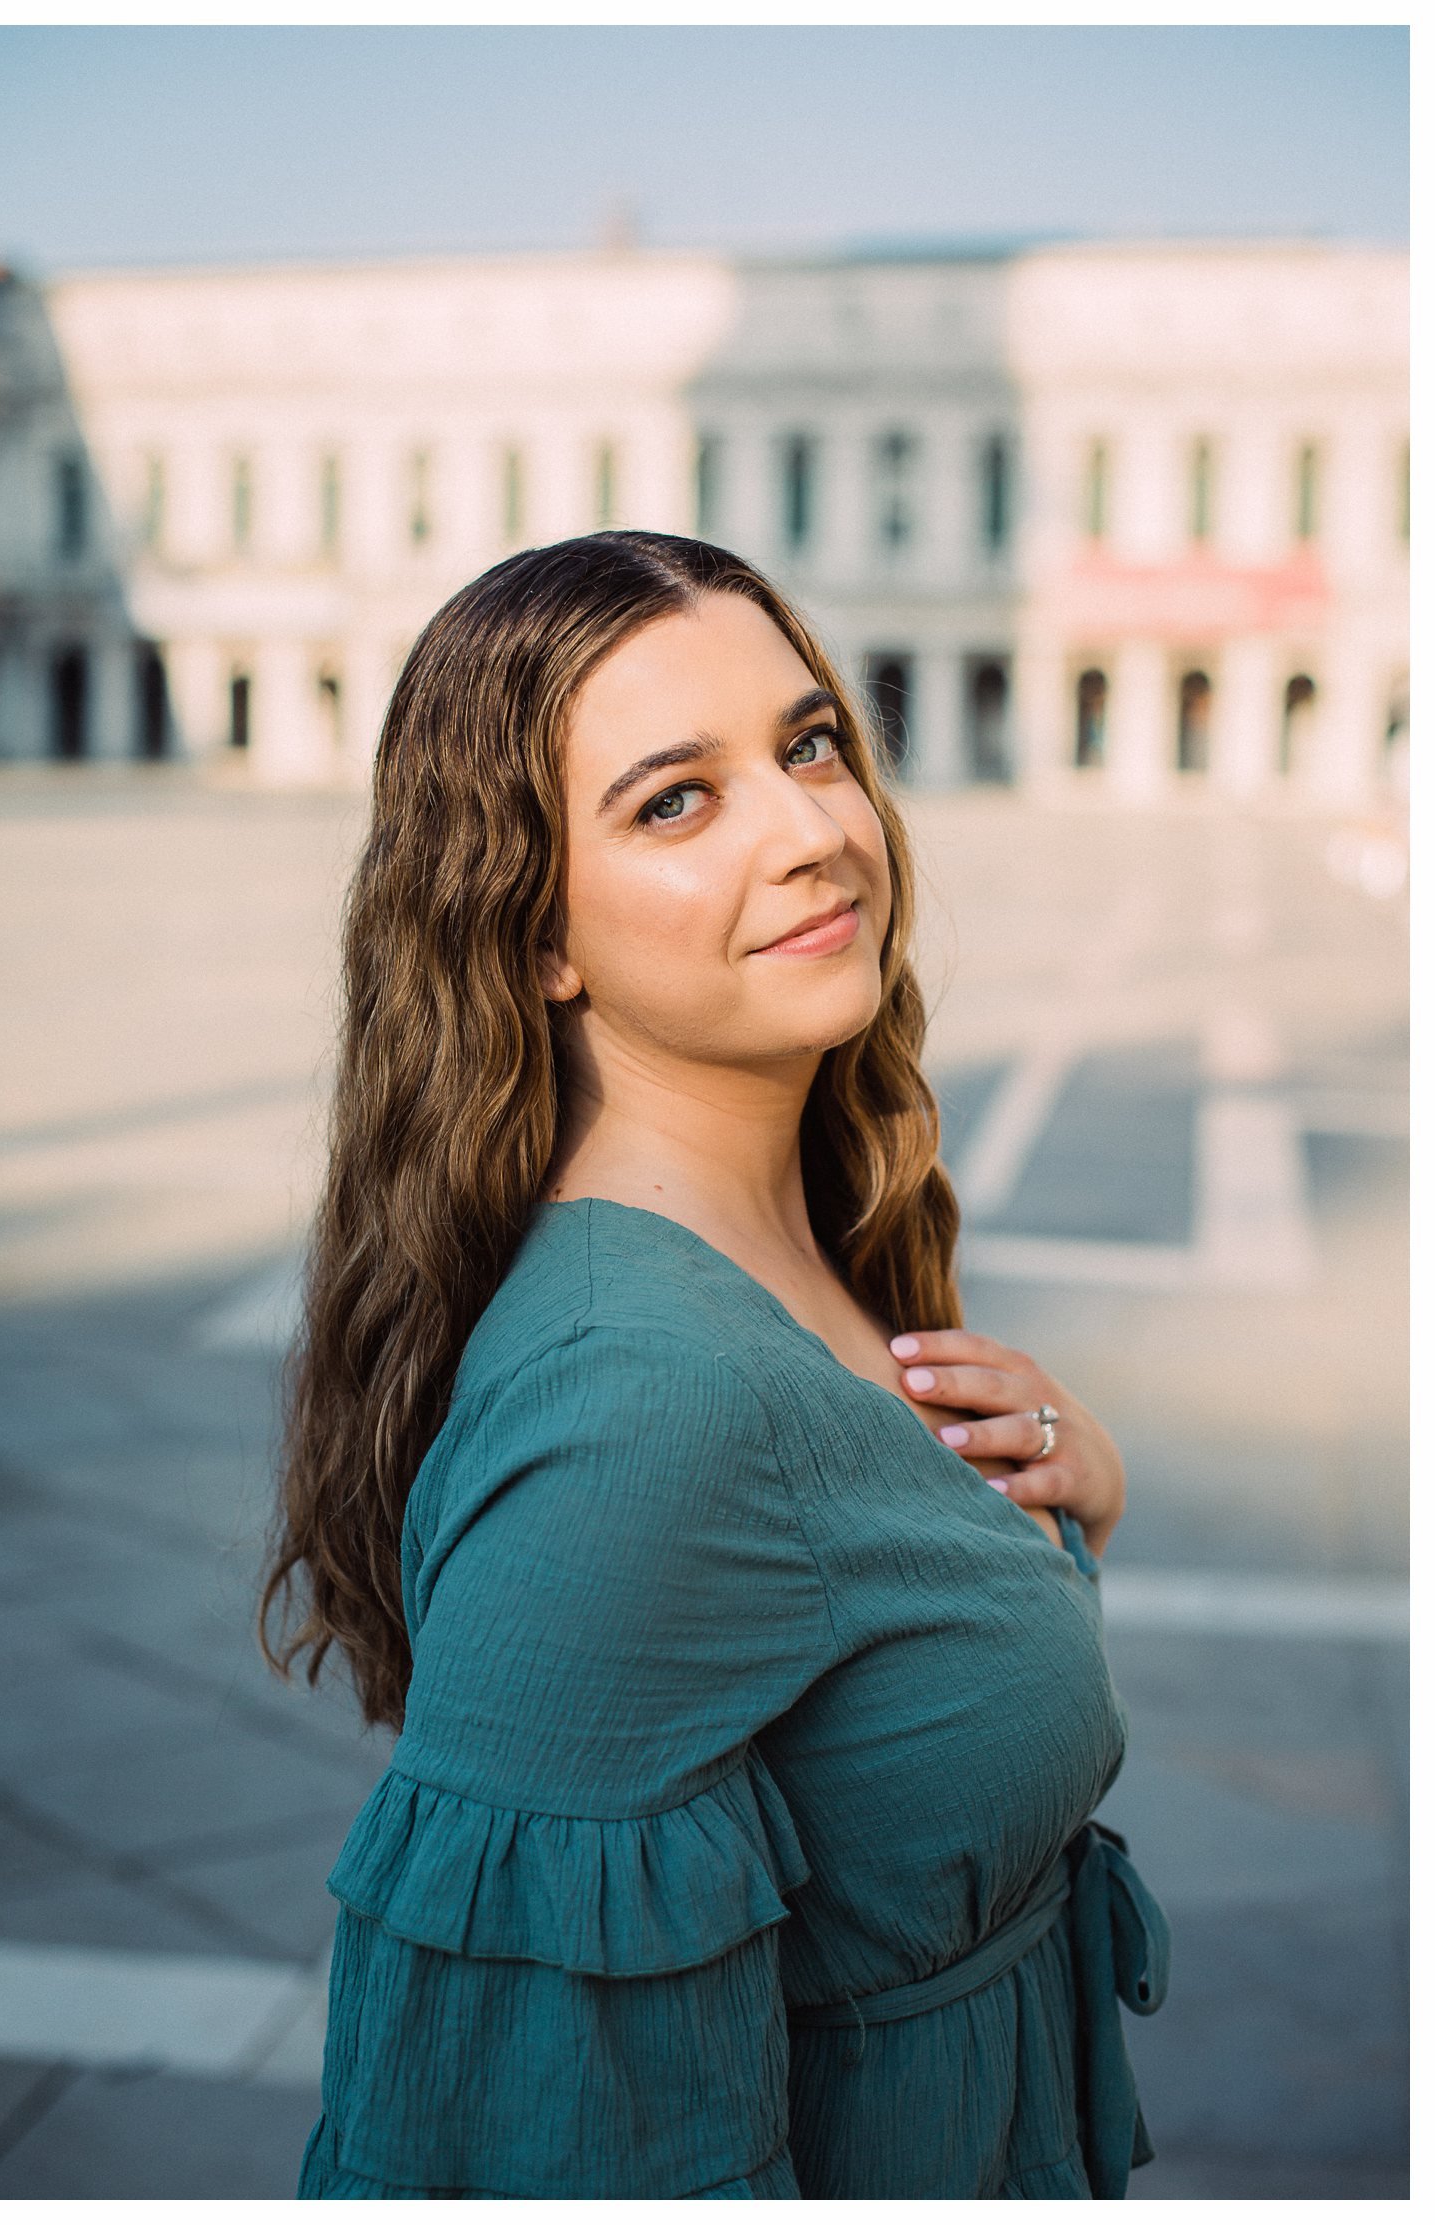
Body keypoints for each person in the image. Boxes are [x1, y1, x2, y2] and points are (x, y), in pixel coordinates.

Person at [259, 529, 1169, 2200]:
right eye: (677, 800)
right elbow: (509, 2147)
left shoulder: (794, 1240)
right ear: (533, 931)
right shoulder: (638, 1410)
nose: (816, 830)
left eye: (809, 743)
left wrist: (1060, 1494)